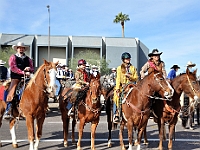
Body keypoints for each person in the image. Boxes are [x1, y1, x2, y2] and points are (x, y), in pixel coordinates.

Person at [6, 42, 34, 115]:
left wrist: (29, 69)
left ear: (24, 49)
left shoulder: (28, 59)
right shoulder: (13, 57)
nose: (21, 49)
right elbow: (13, 67)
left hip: (27, 78)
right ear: (17, 49)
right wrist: (23, 72)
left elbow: (32, 68)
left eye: (22, 48)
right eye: (19, 48)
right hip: (16, 78)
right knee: (12, 90)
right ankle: (8, 109)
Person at [113, 52, 138, 123]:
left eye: (129, 58)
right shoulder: (119, 68)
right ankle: (116, 113)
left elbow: (136, 78)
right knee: (116, 97)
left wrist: (131, 77)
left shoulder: (133, 68)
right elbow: (118, 79)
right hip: (122, 86)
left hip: (131, 86)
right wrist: (117, 89)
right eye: (126, 59)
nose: (128, 60)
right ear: (123, 60)